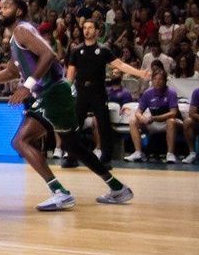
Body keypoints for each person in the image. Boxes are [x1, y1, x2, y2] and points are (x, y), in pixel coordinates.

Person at [0, 0, 132, 211]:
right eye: (0, 8)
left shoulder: (21, 30)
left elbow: (49, 55)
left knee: (20, 141)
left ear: (19, 11)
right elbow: (10, 72)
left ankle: (60, 192)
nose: (1, 10)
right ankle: (118, 188)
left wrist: (27, 86)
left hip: (52, 91)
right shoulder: (16, 37)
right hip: (57, 92)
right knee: (73, 145)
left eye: (6, 7)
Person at [63, 18, 150, 166]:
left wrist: (140, 73)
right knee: (75, 125)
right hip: (81, 92)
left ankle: (105, 158)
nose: (87, 30)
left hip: (98, 91)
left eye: (90, 28)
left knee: (103, 125)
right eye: (84, 28)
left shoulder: (103, 50)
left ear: (97, 31)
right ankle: (72, 156)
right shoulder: (76, 50)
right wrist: (63, 92)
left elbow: (120, 65)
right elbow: (70, 75)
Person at [124, 62, 183, 162]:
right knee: (133, 120)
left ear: (165, 81)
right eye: (155, 79)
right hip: (153, 122)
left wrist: (154, 118)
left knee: (171, 121)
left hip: (168, 122)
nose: (157, 82)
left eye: (160, 79)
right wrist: (142, 118)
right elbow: (138, 111)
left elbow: (173, 113)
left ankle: (170, 154)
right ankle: (138, 152)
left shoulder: (171, 92)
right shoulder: (148, 93)